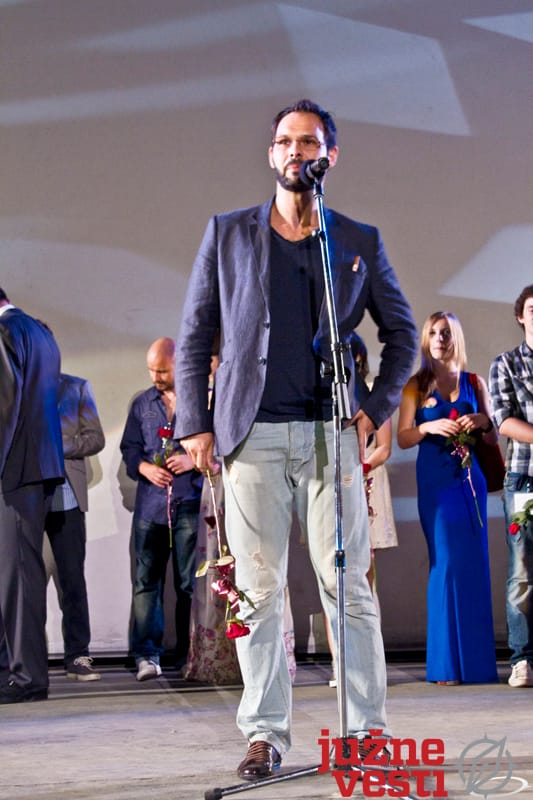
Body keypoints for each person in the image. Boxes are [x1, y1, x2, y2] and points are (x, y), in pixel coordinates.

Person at [174, 99, 417, 779]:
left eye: (308, 143)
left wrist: (373, 406)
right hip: (250, 435)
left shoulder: (357, 240)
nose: (295, 151)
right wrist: (194, 423)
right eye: (284, 141)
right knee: (257, 592)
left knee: (349, 591)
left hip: (329, 435)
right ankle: (265, 734)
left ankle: (365, 733)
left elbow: (401, 334)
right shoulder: (228, 232)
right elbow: (195, 335)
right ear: (271, 154)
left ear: (329, 157)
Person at [397, 311, 499, 685]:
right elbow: (403, 437)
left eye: (446, 333)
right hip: (436, 484)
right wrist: (427, 426)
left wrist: (482, 422)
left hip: (469, 481)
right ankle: (445, 666)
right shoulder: (415, 385)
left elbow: (492, 436)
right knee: (445, 563)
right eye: (434, 333)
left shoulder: (475, 382)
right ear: (426, 340)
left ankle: (475, 666)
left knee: (472, 565)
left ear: (456, 338)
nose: (439, 339)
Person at [120, 337, 203, 681]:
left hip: (189, 503)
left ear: (178, 366)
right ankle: (146, 655)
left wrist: (192, 460)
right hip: (151, 507)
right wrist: (144, 468)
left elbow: (218, 446)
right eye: (152, 371)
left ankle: (188, 654)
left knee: (189, 584)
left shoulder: (201, 401)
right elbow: (129, 450)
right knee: (146, 583)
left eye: (162, 371)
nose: (156, 377)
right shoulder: (142, 404)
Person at [0, 288, 64, 704]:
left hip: (15, 470)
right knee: (14, 576)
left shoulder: (7, 331)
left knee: (19, 578)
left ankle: (26, 678)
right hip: (34, 466)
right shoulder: (39, 333)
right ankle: (15, 670)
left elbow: (4, 407)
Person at [44, 372, 105, 681]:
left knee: (72, 581)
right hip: (25, 500)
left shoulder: (76, 387)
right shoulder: (13, 386)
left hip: (66, 498)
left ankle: (78, 655)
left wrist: (59, 445)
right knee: (24, 585)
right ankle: (25, 659)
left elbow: (96, 438)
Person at [489, 284, 533, 688]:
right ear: (521, 316)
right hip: (524, 478)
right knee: (522, 569)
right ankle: (523, 659)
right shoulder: (506, 364)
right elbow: (503, 420)